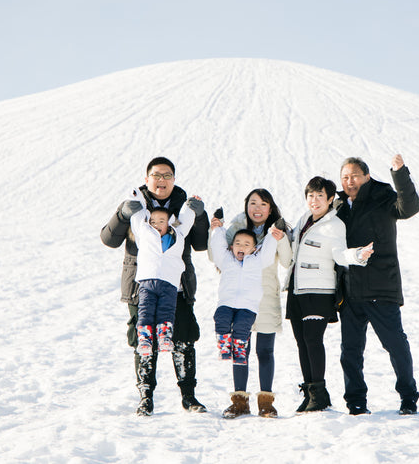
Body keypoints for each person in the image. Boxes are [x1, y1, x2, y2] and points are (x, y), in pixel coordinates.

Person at [100, 157, 210, 416]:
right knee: (144, 338)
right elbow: (108, 239)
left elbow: (201, 243)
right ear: (147, 178)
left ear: (174, 179)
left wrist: (201, 214)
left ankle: (189, 396)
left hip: (176, 284)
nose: (162, 180)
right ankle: (145, 396)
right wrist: (122, 214)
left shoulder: (183, 206)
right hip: (141, 286)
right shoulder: (134, 204)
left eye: (167, 175)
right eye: (156, 175)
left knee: (182, 338)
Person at [335, 154, 419, 416]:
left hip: (381, 288)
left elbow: (410, 207)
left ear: (367, 176)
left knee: (395, 345)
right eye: (345, 177)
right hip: (349, 291)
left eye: (354, 176)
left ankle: (408, 397)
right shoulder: (337, 205)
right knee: (350, 351)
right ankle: (356, 402)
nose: (350, 181)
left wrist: (400, 174)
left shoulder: (383, 196)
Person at [285, 176, 374, 413]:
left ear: (330, 198)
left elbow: (339, 254)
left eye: (320, 196)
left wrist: (357, 256)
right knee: (302, 343)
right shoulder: (304, 219)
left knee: (313, 341)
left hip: (319, 291)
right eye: (311, 196)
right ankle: (310, 393)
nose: (314, 201)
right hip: (297, 290)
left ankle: (320, 395)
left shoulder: (334, 225)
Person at [210, 189, 292, 418]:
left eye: (263, 204)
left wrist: (281, 236)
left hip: (265, 298)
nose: (257, 208)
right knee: (240, 348)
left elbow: (287, 261)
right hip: (237, 300)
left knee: (265, 351)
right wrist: (216, 231)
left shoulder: (277, 228)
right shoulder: (236, 229)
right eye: (253, 203)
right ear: (246, 206)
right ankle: (239, 401)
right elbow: (215, 255)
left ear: (270, 208)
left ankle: (266, 402)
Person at [128, 202, 197, 415]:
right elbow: (136, 219)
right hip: (145, 282)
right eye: (153, 221)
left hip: (171, 284)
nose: (157, 225)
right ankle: (145, 395)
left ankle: (188, 394)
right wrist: (135, 199)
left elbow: (186, 222)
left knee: (173, 320)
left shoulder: (175, 233)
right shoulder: (145, 232)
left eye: (162, 221)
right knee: (145, 314)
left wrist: (191, 206)